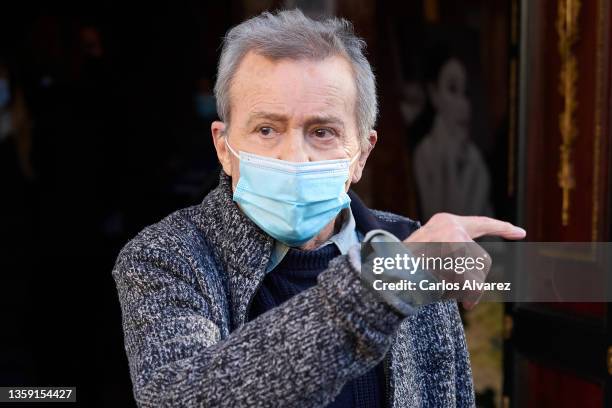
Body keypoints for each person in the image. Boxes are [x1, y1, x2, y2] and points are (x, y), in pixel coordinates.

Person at [112, 9, 525, 407]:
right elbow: (181, 398)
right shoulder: (167, 257)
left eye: (322, 131)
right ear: (224, 147)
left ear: (362, 153)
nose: (294, 156)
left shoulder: (409, 244)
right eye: (267, 129)